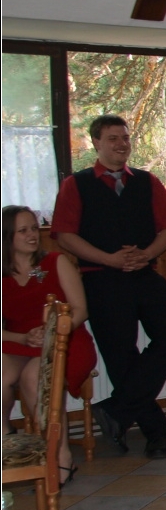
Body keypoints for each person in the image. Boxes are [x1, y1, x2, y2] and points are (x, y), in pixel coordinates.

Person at [51, 115, 166, 459]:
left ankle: (115, 411)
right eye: (113, 138)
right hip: (102, 279)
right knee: (121, 357)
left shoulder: (147, 181)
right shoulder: (76, 184)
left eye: (125, 138)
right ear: (96, 143)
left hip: (144, 275)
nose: (121, 144)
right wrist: (108, 259)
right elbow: (64, 235)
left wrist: (147, 254)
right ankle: (156, 433)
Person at [3, 205, 99, 481]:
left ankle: (61, 457)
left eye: (34, 228)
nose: (32, 235)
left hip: (65, 339)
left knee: (35, 377)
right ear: (7, 236)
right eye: (23, 230)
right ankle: (5, 438)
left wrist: (54, 332)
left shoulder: (56, 262)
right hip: (20, 341)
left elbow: (80, 310)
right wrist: (23, 338)